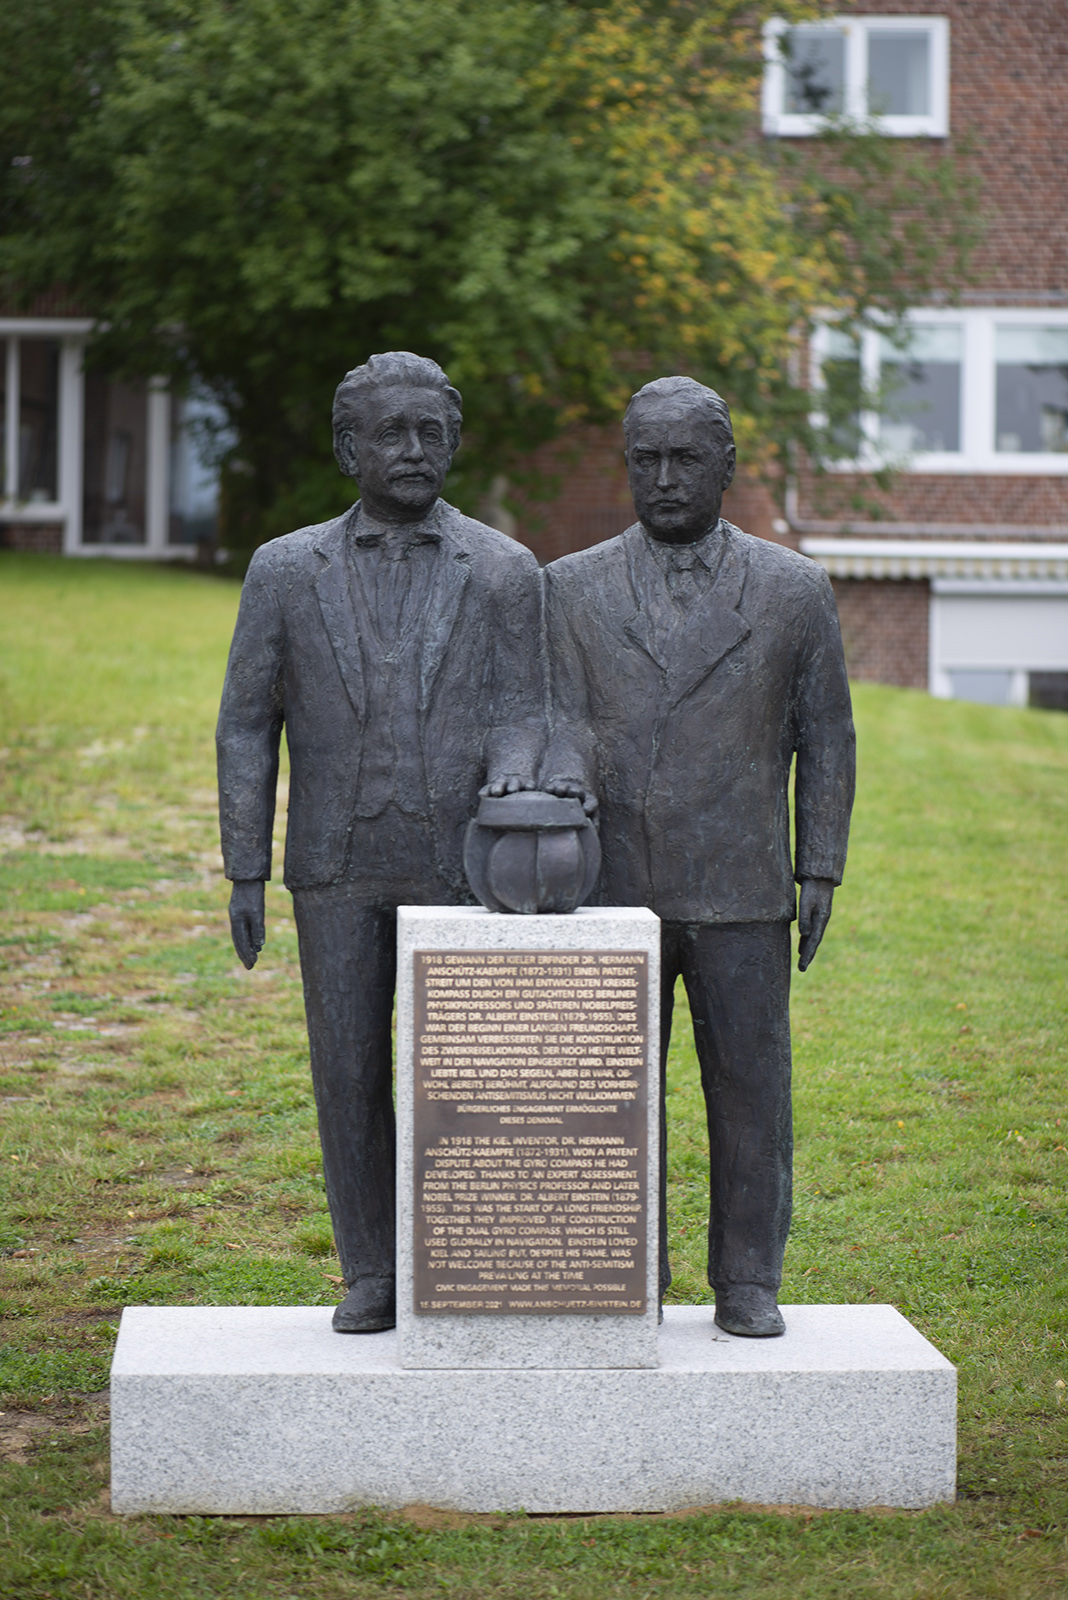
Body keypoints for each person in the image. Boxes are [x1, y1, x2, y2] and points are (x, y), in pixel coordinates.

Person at [217, 352, 544, 1332]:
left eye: (431, 433)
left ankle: (462, 1258)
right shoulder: (283, 570)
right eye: (390, 433)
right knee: (349, 1071)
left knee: (466, 1077)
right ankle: (371, 1269)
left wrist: (516, 797)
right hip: (336, 866)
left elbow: (531, 712)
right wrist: (246, 863)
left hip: (467, 865)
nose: (412, 450)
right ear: (345, 445)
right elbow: (245, 721)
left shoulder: (505, 571)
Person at [542, 375, 855, 1337]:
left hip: (741, 885)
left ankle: (749, 1277)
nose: (666, 478)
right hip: (612, 888)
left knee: (751, 1093)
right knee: (611, 1099)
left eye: (686, 459)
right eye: (647, 460)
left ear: (726, 466)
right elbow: (548, 729)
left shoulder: (794, 591)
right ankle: (621, 1273)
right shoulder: (570, 588)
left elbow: (828, 738)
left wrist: (820, 866)